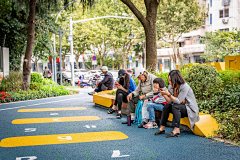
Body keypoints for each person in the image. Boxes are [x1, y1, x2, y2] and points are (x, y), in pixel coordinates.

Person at [155, 70, 199, 138]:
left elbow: (178, 101)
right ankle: (162, 128)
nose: (169, 82)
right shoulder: (171, 86)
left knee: (176, 106)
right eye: (169, 80)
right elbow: (170, 101)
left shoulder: (184, 86)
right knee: (167, 106)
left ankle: (176, 130)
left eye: (171, 80)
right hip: (179, 107)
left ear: (176, 80)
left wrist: (168, 94)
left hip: (189, 109)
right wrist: (164, 95)